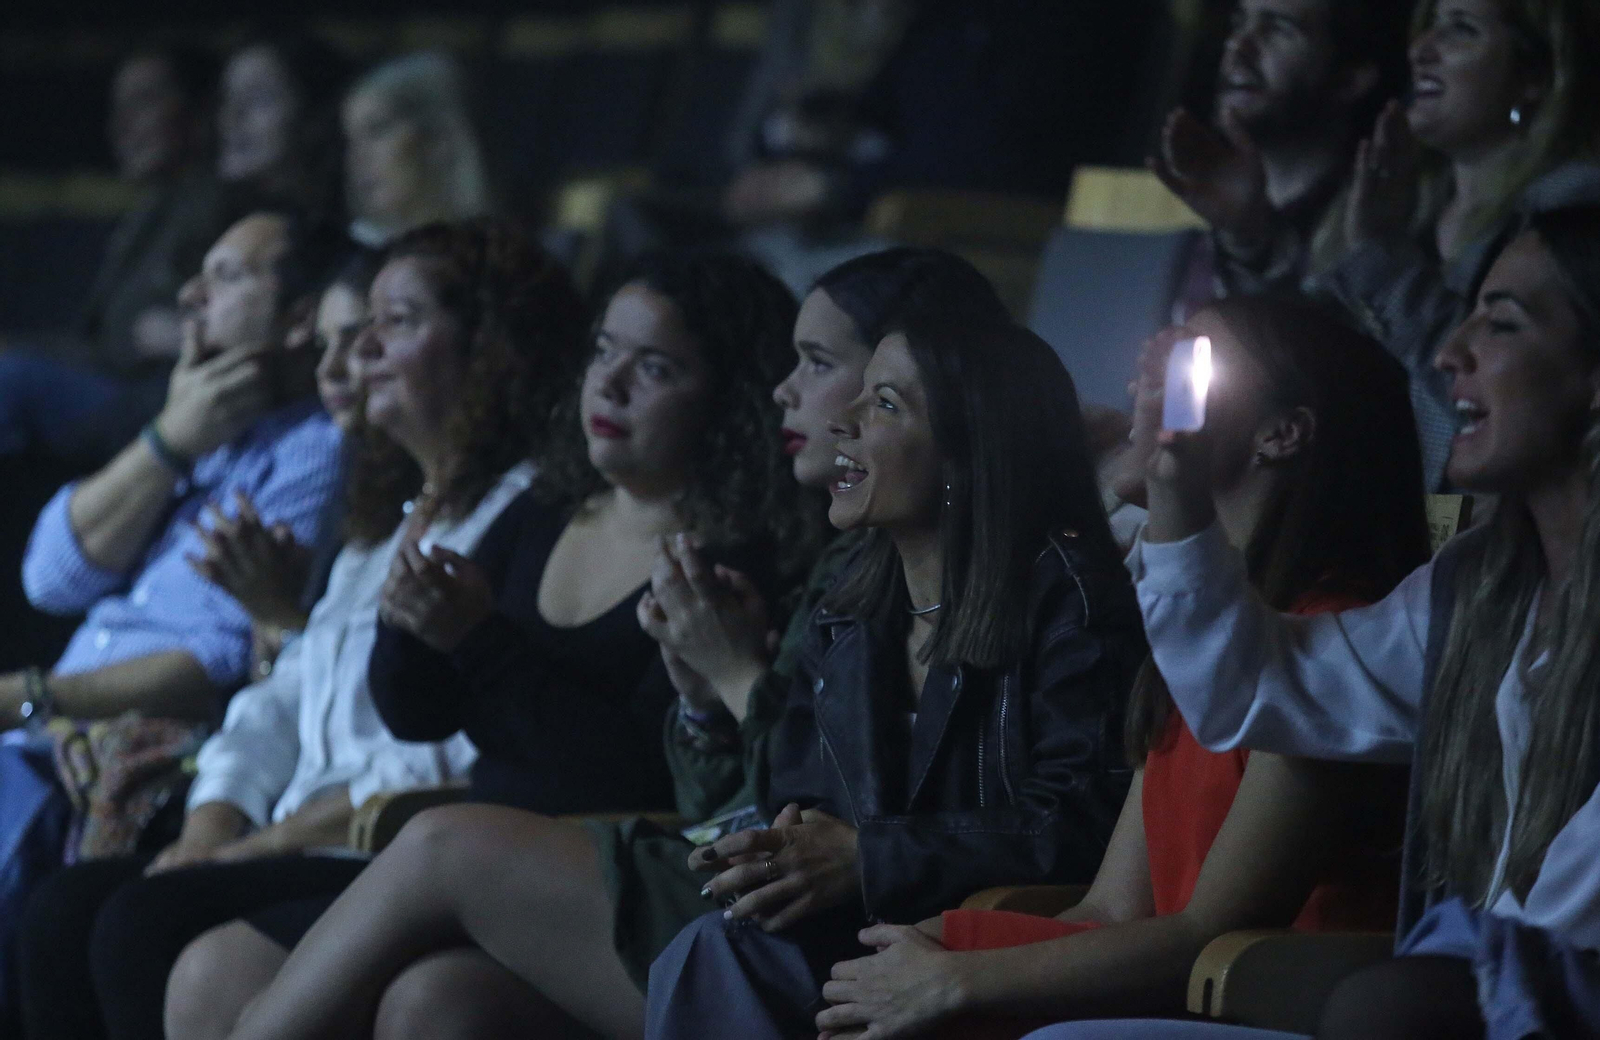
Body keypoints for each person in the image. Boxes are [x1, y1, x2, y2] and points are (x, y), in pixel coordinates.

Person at [166, 252, 812, 1040]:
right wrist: (414, 627)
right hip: (458, 861)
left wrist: (475, 642)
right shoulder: (550, 506)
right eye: (604, 353)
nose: (608, 386)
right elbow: (417, 713)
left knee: (432, 1003)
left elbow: (628, 768)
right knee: (212, 968)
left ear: (728, 402)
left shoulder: (729, 567)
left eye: (654, 368)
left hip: (585, 871)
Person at [1026, 206, 1600, 1039]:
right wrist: (1177, 489)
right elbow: (1261, 693)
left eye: (1502, 323)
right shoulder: (1476, 587)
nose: (1450, 353)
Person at [16, 219, 590, 1040]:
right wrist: (215, 822)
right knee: (64, 909)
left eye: (395, 326)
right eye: (360, 333)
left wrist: (259, 844)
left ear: (486, 347)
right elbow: (283, 696)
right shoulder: (384, 519)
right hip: (297, 832)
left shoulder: (527, 516)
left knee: (135, 923)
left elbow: (470, 753)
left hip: (386, 851)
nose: (358, 360)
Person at [810, 297, 1429, 1040]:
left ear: (1282, 432)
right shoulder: (1197, 640)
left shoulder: (1323, 648)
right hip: (1170, 971)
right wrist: (940, 955)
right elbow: (1110, 909)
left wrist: (960, 982)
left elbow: (1213, 932)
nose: (1150, 384)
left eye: (1193, 366)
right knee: (885, 970)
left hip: (1268, 995)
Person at [641, 311, 1147, 1039]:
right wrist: (774, 852)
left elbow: (1082, 826)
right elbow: (801, 794)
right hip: (864, 934)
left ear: (966, 453)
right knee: (711, 949)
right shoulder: (849, 608)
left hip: (994, 950)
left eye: (883, 403)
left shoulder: (1073, 599)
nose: (841, 421)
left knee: (718, 958)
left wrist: (867, 857)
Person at [1317, 0, 1600, 489]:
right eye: (1430, 28)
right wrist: (1249, 236)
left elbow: (1494, 395)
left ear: (1536, 73)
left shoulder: (1571, 218)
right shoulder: (1403, 204)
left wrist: (1381, 265)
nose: (1421, 50)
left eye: (1461, 30)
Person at [0, 46, 228, 464]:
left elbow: (132, 342)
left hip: (153, 401)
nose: (123, 125)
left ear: (198, 111)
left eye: (144, 101)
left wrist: (181, 333)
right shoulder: (150, 212)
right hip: (110, 381)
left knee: (9, 379)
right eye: (118, 107)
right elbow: (104, 337)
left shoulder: (218, 205)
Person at [190, 249, 383, 680]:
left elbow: (366, 703)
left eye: (356, 342)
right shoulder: (355, 473)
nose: (328, 369)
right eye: (322, 344)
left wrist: (274, 612)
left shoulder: (331, 458)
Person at [1151, 0, 1408, 316]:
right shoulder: (1196, 212)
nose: (1237, 45)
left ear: (1349, 80)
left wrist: (1249, 243)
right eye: (1239, 23)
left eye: (1279, 29)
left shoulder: (1373, 228)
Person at [342, 52, 491, 249]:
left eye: (378, 130)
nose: (357, 156)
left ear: (437, 139)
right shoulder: (348, 259)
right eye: (350, 139)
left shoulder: (508, 258)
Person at [218, 35, 349, 231]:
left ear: (314, 115)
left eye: (259, 98)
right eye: (227, 97)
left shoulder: (350, 230)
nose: (231, 117)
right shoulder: (209, 221)